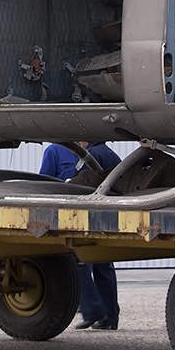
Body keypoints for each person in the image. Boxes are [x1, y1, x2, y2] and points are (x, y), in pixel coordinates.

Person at [38, 141, 121, 330]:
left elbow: (84, 181)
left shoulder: (93, 154)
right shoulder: (56, 151)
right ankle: (109, 317)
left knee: (79, 262)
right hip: (103, 216)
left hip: (84, 216)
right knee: (104, 266)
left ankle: (93, 310)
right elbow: (44, 182)